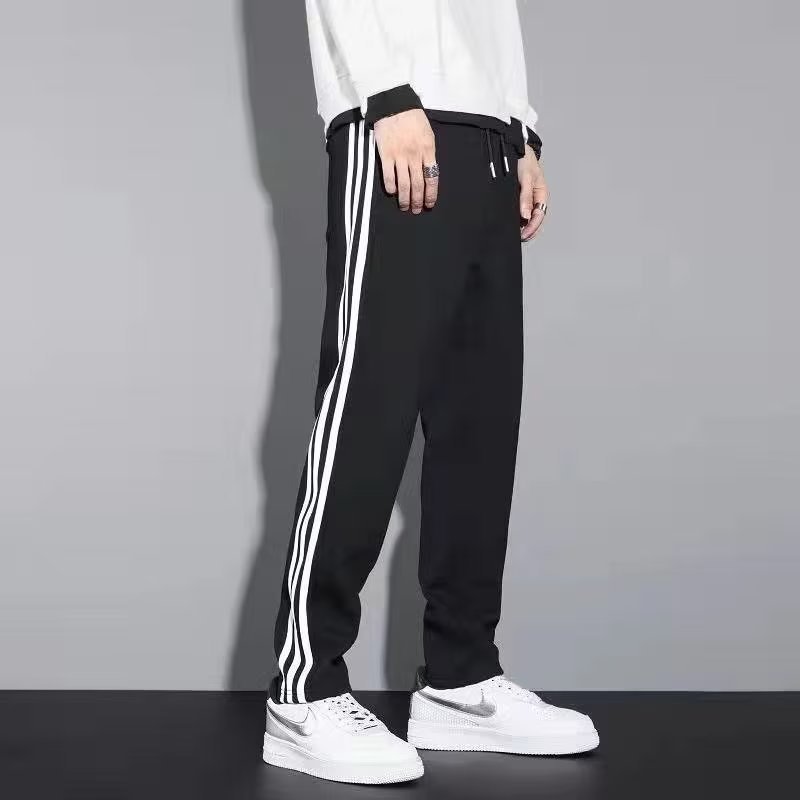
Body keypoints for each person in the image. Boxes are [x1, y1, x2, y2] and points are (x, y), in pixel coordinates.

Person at [262, 0, 599, 784]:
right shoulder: (387, 102)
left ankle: (460, 676)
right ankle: (304, 690)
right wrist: (383, 92)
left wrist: (521, 129)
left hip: (488, 138)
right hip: (397, 120)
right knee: (368, 408)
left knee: (479, 420)